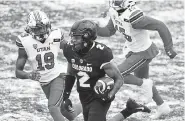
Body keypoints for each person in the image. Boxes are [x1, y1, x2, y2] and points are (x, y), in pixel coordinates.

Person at [95, 0, 177, 119]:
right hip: (132, 49)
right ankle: (162, 106)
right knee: (143, 80)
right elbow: (109, 31)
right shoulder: (114, 11)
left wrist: (168, 47)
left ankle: (144, 84)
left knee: (116, 74)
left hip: (143, 52)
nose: (115, 2)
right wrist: (95, 28)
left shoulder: (134, 17)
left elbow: (160, 25)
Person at [61, 19, 151, 121]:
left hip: (99, 97)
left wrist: (110, 95)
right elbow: (70, 73)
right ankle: (129, 110)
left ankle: (129, 109)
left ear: (87, 38)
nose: (73, 40)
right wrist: (66, 96)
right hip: (84, 96)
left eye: (76, 38)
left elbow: (119, 79)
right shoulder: (70, 50)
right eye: (72, 36)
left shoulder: (101, 53)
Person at [15, 10, 82, 121]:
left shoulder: (55, 35)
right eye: (37, 28)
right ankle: (89, 102)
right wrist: (29, 75)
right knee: (68, 113)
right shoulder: (25, 41)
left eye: (43, 27)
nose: (41, 31)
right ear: (30, 29)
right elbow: (18, 72)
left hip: (58, 76)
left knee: (53, 108)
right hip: (44, 82)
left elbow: (71, 52)